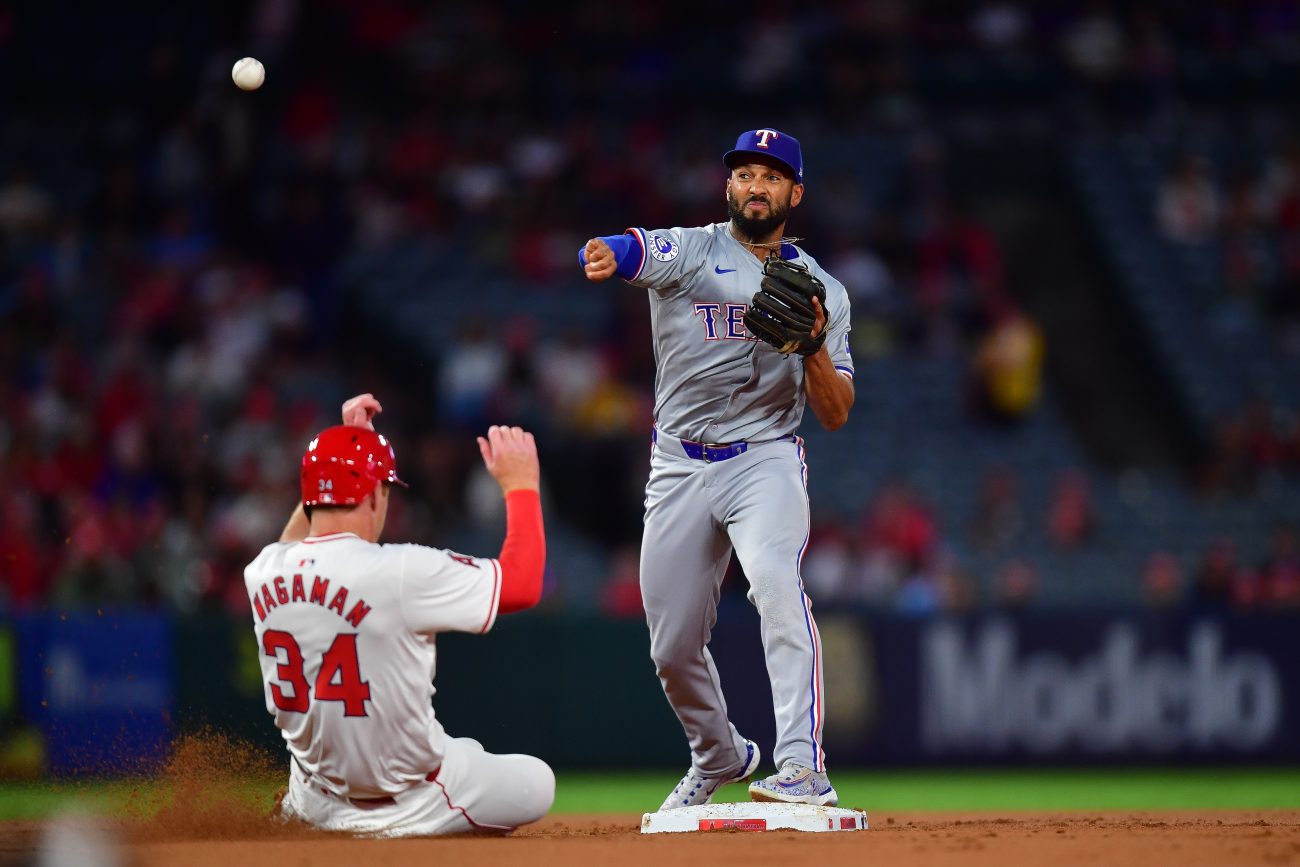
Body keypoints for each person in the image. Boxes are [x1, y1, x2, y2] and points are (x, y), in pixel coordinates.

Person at [580, 128, 855, 809]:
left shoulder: (824, 290)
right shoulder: (693, 248)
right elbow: (637, 248)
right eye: (744, 173)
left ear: (795, 193)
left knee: (774, 587)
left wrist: (814, 346)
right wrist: (606, 253)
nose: (755, 185)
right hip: (677, 462)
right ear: (727, 186)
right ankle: (720, 754)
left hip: (764, 457)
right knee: (670, 645)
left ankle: (801, 764)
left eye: (771, 175)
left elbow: (837, 410)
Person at [245, 393, 554, 836]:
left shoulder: (262, 572)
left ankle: (315, 817)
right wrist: (521, 485)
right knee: (537, 781)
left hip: (313, 799)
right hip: (412, 803)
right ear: (374, 494)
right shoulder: (401, 570)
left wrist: (346, 448)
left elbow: (294, 544)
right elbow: (522, 584)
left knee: (460, 749)